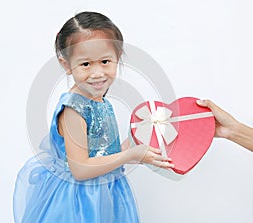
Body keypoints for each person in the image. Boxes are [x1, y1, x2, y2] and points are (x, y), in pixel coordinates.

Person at [13, 11, 174, 223]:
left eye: (105, 61)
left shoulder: (100, 100)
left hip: (106, 194)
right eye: (86, 64)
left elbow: (107, 152)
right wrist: (132, 154)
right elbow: (80, 169)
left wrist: (138, 141)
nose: (97, 73)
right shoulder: (73, 108)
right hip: (80, 202)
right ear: (67, 65)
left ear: (118, 58)